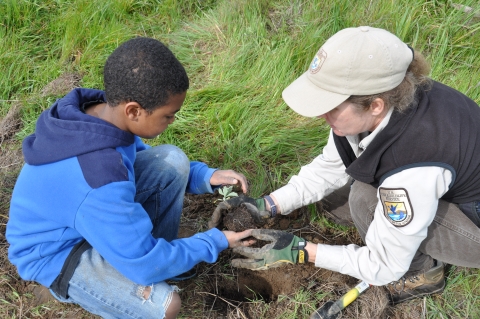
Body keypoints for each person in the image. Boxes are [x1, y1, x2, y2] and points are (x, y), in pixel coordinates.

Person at [210, 26, 480, 305]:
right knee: (339, 197)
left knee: (364, 199)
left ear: (375, 105)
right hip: (447, 186)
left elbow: (384, 265)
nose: (320, 114)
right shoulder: (389, 98)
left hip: (474, 228)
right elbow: (330, 166)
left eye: (330, 105)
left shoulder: (413, 166)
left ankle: (422, 274)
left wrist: (302, 251)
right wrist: (268, 204)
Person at [6, 37, 255, 319]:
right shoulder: (99, 176)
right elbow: (144, 266)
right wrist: (215, 242)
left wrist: (205, 176)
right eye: (169, 115)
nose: (172, 121)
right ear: (134, 110)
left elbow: (135, 157)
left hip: (89, 217)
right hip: (58, 253)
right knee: (165, 306)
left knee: (172, 161)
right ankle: (66, 285)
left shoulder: (99, 115)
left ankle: (154, 255)